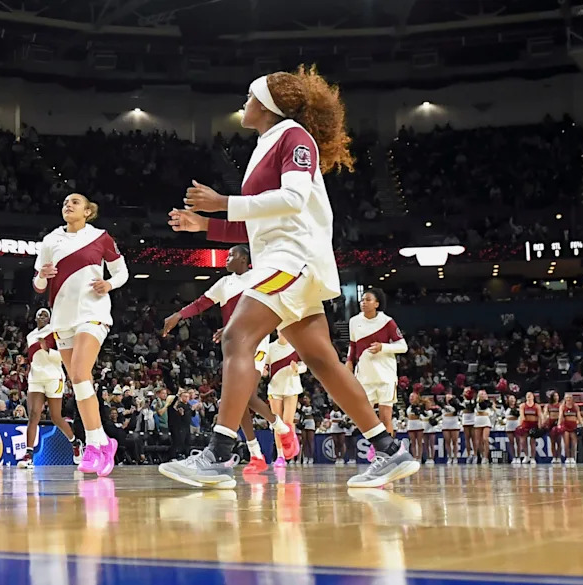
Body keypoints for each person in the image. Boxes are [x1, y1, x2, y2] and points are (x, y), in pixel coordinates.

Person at [162, 66, 419, 489]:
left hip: (293, 260)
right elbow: (263, 222)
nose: (244, 103)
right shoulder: (266, 144)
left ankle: (218, 456)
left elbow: (293, 199)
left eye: (250, 97)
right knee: (323, 362)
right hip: (283, 258)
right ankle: (390, 451)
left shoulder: (294, 136)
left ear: (267, 105)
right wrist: (204, 225)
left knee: (236, 337)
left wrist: (223, 202)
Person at [160, 244, 297, 474]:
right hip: (233, 344)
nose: (227, 258)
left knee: (246, 396)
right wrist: (178, 315)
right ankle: (256, 454)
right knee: (234, 400)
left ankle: (282, 429)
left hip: (257, 340)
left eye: (232, 255)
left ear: (244, 259)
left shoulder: (259, 278)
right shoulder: (224, 283)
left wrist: (233, 325)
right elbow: (201, 303)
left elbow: (269, 312)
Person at [34, 193, 129, 477]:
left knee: (78, 373)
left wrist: (109, 284)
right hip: (62, 318)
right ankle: (101, 443)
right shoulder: (50, 240)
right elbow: (38, 284)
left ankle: (94, 443)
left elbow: (122, 272)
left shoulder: (101, 237)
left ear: (88, 211)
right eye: (65, 202)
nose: (68, 205)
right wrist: (43, 275)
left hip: (93, 312)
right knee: (80, 383)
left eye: (75, 202)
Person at [346, 288, 407, 454]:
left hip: (386, 375)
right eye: (362, 300)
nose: (363, 303)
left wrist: (383, 347)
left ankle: (386, 453)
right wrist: (349, 361)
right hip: (365, 376)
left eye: (368, 300)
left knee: (385, 417)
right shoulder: (354, 321)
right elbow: (352, 344)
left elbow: (403, 346)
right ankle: (377, 446)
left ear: (377, 304)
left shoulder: (387, 321)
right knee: (366, 417)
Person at [19, 308, 78, 468]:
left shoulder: (55, 332)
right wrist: (24, 362)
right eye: (40, 314)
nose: (42, 316)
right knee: (34, 415)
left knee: (56, 417)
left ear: (50, 319)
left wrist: (48, 349)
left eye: (46, 315)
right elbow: (33, 358)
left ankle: (75, 444)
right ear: (35, 318)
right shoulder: (30, 336)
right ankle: (28, 455)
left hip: (53, 377)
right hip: (36, 378)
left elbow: (63, 356)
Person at [266, 334, 306, 467]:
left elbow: (304, 366)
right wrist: (263, 371)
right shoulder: (270, 347)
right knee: (277, 423)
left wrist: (297, 369)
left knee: (288, 422)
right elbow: (264, 366)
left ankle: (291, 447)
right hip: (275, 388)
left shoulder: (296, 345)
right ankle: (280, 455)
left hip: (291, 387)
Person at [516, 391, 540, 466]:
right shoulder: (522, 405)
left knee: (532, 442)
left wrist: (540, 426)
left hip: (534, 424)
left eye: (530, 395)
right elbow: (522, 416)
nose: (529, 396)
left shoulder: (536, 406)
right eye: (527, 395)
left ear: (533, 397)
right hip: (525, 424)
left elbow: (540, 416)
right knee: (523, 441)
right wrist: (521, 425)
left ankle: (533, 458)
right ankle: (526, 456)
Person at [557, 394, 581, 466]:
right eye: (567, 398)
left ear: (572, 398)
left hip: (573, 426)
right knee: (566, 443)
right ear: (565, 399)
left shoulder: (575, 406)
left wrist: (582, 424)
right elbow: (560, 416)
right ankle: (568, 457)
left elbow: (579, 416)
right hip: (566, 426)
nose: (568, 399)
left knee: (574, 443)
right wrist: (558, 425)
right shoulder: (562, 406)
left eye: (570, 398)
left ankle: (573, 457)